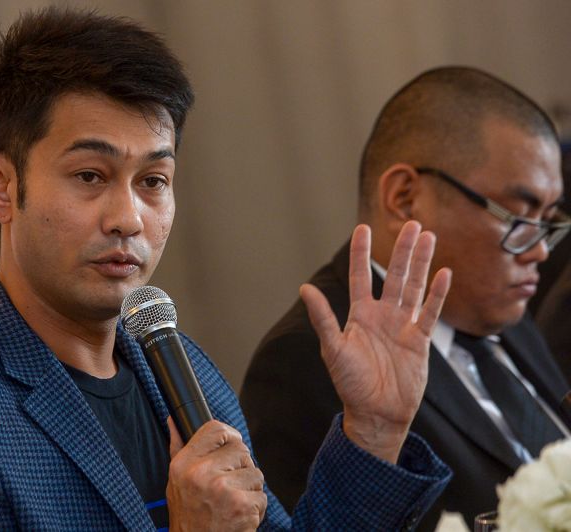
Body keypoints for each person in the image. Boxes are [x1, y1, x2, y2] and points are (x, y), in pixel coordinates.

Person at [0, 8, 452, 530]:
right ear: (0, 185)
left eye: (153, 182)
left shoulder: (192, 380)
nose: (128, 218)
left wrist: (372, 430)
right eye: (90, 176)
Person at [241, 66, 571, 531]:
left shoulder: (501, 310)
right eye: (517, 215)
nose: (538, 249)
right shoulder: (305, 359)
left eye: (548, 220)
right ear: (405, 198)